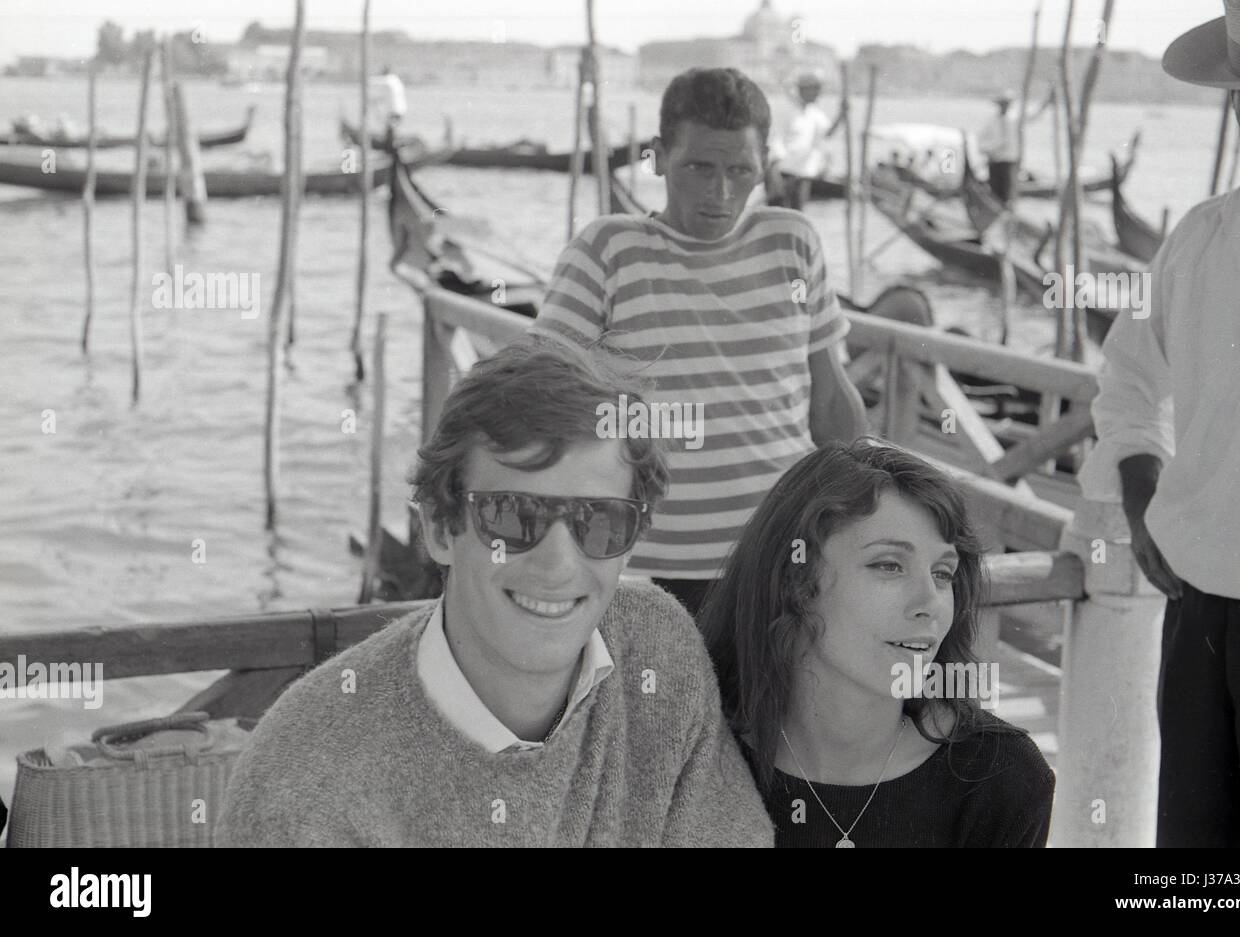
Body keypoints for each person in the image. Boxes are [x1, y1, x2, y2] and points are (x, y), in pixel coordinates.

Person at [216, 337, 773, 847]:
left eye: (599, 521)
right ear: (439, 527)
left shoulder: (658, 652)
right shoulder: (306, 781)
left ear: (632, 539)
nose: (558, 564)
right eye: (512, 515)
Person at [1078, 0, 1240, 849]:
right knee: (1196, 861)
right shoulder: (1197, 239)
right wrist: (1140, 494)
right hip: (1204, 607)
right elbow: (1130, 375)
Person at [532, 67, 869, 617]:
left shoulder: (794, 241)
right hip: (641, 569)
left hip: (784, 555)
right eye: (698, 167)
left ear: (764, 166)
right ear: (660, 157)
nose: (721, 193)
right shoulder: (606, 250)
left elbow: (830, 400)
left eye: (741, 170)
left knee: (770, 705)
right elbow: (537, 401)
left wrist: (863, 524)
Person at [699, 439, 1055, 847]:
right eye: (889, 565)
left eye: (942, 573)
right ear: (793, 582)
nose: (930, 604)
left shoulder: (1002, 779)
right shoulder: (694, 757)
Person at [766, 71, 846, 211]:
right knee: (778, 217)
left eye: (818, 89)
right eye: (814, 89)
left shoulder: (814, 113)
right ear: (803, 90)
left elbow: (828, 133)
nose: (817, 94)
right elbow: (774, 142)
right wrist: (774, 176)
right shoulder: (786, 110)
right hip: (783, 173)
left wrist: (842, 114)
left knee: (798, 217)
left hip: (802, 174)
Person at [976, 88, 1052, 202]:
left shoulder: (1015, 118)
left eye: (1006, 103)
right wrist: (990, 149)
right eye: (1003, 103)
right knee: (995, 192)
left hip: (1009, 161)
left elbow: (1034, 115)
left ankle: (1007, 211)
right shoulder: (992, 121)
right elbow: (981, 142)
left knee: (1007, 191)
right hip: (994, 161)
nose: (1004, 106)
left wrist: (1046, 103)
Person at [370, 64, 407, 148]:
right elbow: (385, 95)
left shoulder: (390, 80)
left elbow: (379, 81)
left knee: (391, 130)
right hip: (400, 110)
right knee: (390, 130)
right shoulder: (395, 81)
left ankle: (393, 149)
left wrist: (365, 80)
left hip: (395, 110)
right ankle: (391, 147)